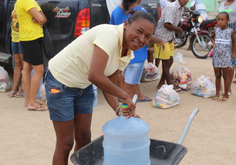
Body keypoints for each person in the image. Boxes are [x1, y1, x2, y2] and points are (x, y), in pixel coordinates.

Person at [44, 11, 156, 164]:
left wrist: (120, 110)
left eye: (147, 36)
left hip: (83, 85)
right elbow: (95, 75)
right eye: (139, 31)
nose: (142, 39)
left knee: (84, 139)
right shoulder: (109, 34)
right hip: (60, 82)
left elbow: (108, 85)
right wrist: (124, 95)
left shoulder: (127, 53)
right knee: (66, 143)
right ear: (126, 24)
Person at [110, 0, 164, 102]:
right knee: (129, 94)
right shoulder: (142, 14)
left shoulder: (116, 11)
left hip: (121, 55)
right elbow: (147, 35)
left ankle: (125, 109)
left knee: (125, 90)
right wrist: (158, 40)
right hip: (136, 57)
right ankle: (126, 114)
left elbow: (113, 30)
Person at [16, 0, 47, 110]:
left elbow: (42, 18)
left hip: (27, 37)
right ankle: (32, 102)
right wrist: (40, 18)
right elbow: (42, 19)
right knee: (39, 70)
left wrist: (40, 18)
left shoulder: (27, 1)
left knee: (27, 68)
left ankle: (28, 100)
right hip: (31, 38)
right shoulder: (27, 1)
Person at [154, 0, 188, 93]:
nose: (185, 1)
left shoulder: (181, 8)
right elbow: (167, 24)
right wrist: (179, 29)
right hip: (162, 38)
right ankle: (170, 85)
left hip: (170, 37)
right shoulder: (172, 7)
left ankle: (161, 83)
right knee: (166, 62)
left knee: (170, 61)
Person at [211, 12, 235, 101]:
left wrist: (233, 53)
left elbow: (233, 42)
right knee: (217, 75)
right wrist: (213, 43)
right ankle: (217, 93)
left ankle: (225, 94)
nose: (220, 22)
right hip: (217, 56)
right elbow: (212, 37)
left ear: (228, 21)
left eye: (222, 20)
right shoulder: (215, 30)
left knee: (225, 76)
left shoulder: (230, 31)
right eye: (218, 19)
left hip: (226, 57)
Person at [218, 0, 236, 94]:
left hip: (232, 30)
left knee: (230, 61)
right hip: (220, 31)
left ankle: (228, 87)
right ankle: (220, 84)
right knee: (219, 59)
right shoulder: (222, 3)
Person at [7, 3, 24, 98]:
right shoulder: (16, 3)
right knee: (17, 63)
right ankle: (15, 88)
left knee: (24, 64)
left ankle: (22, 88)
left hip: (23, 37)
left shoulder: (27, 3)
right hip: (14, 37)